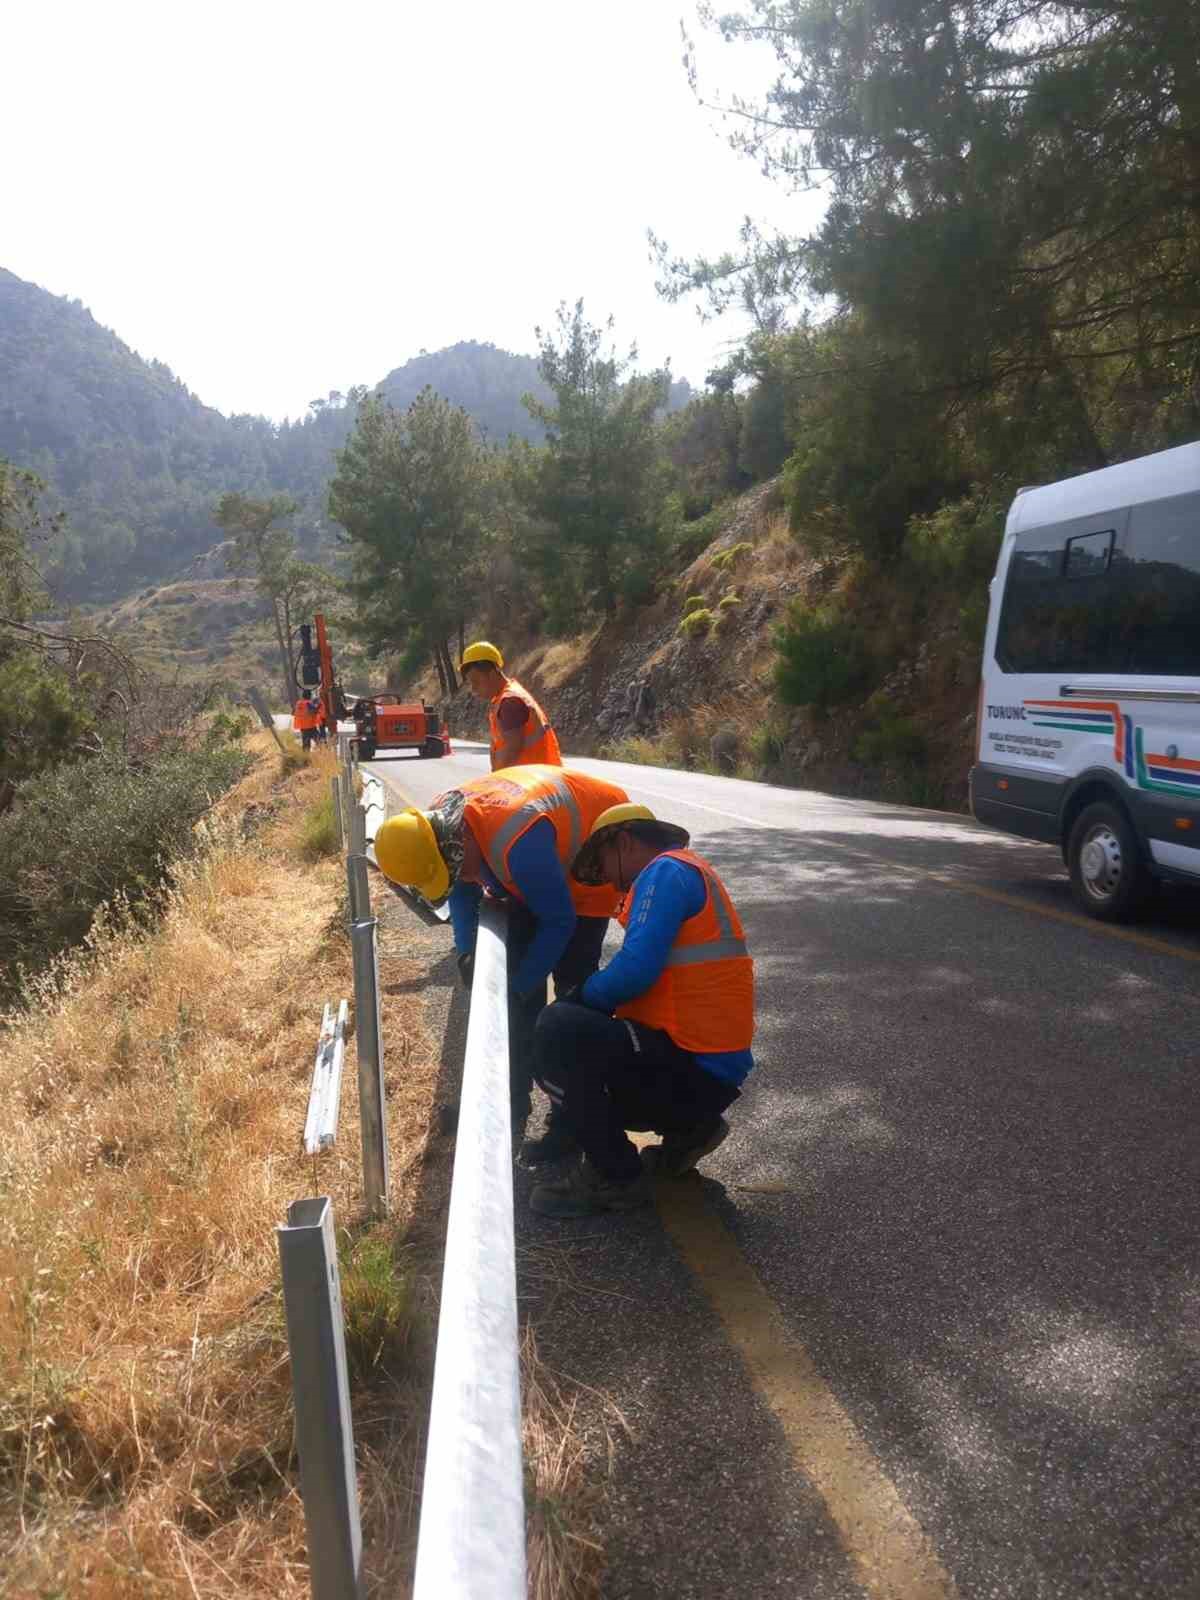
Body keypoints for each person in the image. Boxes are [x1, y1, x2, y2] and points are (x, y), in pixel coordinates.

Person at [372, 764, 628, 1149]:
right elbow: (459, 887)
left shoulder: (516, 843)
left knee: (573, 991)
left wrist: (520, 986)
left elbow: (558, 920)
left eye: (460, 867)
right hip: (541, 852)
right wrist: (466, 952)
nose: (465, 876)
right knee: (517, 987)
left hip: (592, 859)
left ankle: (572, 1123)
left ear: (458, 844)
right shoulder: (441, 826)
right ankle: (509, 1102)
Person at [527, 804, 755, 1219]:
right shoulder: (686, 871)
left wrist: (577, 998)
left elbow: (635, 971)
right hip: (704, 1073)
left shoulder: (665, 871)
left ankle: (614, 1176)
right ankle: (691, 1131)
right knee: (593, 1033)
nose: (612, 884)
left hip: (687, 1067)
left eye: (604, 866)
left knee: (557, 1028)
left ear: (625, 842)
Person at [460, 641, 562, 769]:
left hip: (531, 781)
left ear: (492, 674)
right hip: (534, 779)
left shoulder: (510, 702)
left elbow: (512, 751)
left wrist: (495, 781)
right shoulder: (504, 699)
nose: (473, 689)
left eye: (476, 682)